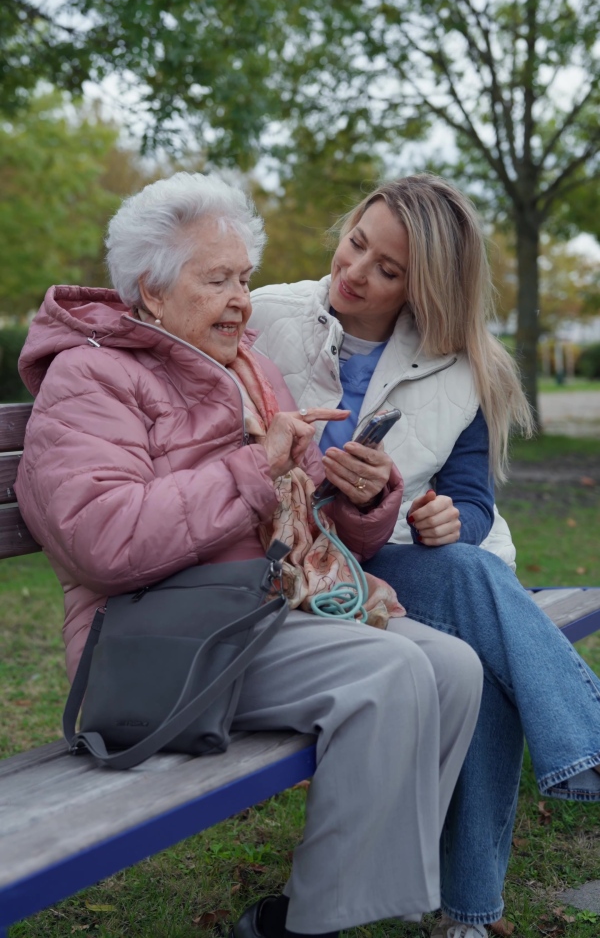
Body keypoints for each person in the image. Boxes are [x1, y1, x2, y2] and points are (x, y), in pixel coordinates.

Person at [15, 172, 483, 938]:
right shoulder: (91, 376)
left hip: (251, 611)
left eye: (244, 278)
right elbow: (104, 540)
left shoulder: (245, 367)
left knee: (454, 667)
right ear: (152, 292)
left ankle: (345, 894)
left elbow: (301, 519)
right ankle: (304, 926)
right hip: (150, 641)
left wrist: (358, 495)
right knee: (391, 672)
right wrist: (254, 468)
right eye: (218, 279)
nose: (241, 299)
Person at [249, 173, 600, 938]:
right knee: (484, 629)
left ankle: (471, 914)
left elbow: (473, 500)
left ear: (425, 286)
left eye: (388, 270)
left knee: (476, 608)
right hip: (308, 569)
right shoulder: (267, 317)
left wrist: (447, 519)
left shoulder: (463, 364)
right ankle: (483, 900)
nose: (356, 271)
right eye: (356, 244)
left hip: (404, 562)